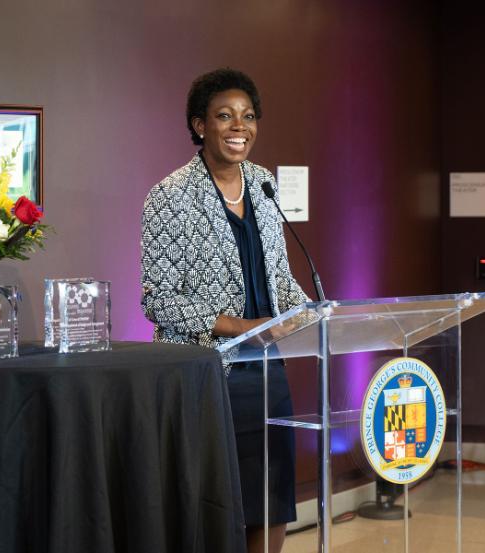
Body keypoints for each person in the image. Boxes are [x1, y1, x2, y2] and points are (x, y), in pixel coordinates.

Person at [140, 68, 309, 553]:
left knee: (272, 495)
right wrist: (240, 327)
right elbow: (159, 298)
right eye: (225, 116)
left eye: (249, 116)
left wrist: (309, 312)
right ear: (199, 125)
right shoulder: (170, 197)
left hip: (267, 367)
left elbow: (277, 273)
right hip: (208, 369)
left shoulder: (264, 184)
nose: (240, 127)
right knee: (218, 499)